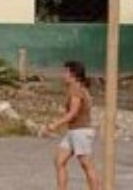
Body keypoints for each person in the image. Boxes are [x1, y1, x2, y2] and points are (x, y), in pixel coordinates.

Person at [44, 60, 101, 190]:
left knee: (86, 164)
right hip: (73, 131)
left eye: (66, 71)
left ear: (73, 74)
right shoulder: (75, 88)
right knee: (59, 160)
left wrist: (55, 124)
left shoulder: (76, 89)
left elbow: (73, 113)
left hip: (81, 131)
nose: (64, 75)